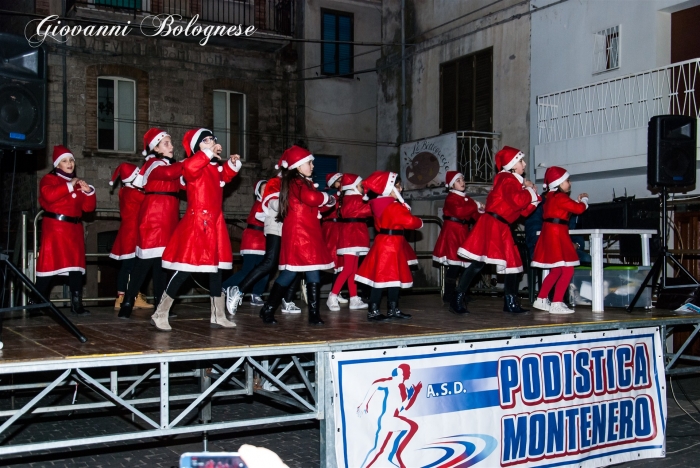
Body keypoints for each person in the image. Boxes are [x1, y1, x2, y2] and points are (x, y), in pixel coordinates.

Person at [152, 128, 241, 331]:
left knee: (216, 269)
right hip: (197, 223)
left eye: (212, 139)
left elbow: (225, 176)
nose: (212, 142)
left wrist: (233, 163)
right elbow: (191, 167)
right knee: (185, 269)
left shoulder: (213, 167)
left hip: (215, 223)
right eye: (206, 140)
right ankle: (160, 312)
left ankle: (218, 314)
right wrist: (208, 153)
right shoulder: (192, 165)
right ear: (197, 147)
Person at [455, 146, 541, 314]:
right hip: (493, 224)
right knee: (479, 263)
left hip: (502, 226)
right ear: (513, 165)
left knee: (512, 265)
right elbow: (517, 201)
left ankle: (510, 302)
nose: (524, 164)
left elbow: (521, 211)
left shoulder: (510, 181)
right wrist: (529, 191)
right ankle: (457, 297)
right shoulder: (507, 179)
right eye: (521, 161)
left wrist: (532, 199)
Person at [258, 145, 336, 325]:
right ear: (299, 166)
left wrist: (326, 201)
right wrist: (328, 198)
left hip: (307, 232)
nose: (312, 166)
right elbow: (311, 199)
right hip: (299, 233)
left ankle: (313, 314)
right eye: (309, 162)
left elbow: (315, 205)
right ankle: (268, 309)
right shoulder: (296, 182)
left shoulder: (302, 182)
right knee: (290, 273)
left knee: (312, 270)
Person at [224, 157, 303, 317]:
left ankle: (267, 297)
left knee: (281, 266)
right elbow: (268, 208)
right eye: (262, 189)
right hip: (255, 239)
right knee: (257, 267)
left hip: (276, 234)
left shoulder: (294, 184)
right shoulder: (267, 195)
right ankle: (229, 288)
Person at [118, 128, 182, 319]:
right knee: (144, 264)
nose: (172, 146)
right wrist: (193, 161)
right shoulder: (153, 164)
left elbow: (183, 182)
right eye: (166, 143)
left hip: (168, 217)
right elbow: (169, 173)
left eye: (171, 142)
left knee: (162, 264)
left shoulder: (168, 164)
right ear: (155, 148)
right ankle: (128, 301)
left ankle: (161, 306)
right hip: (154, 216)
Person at [34, 145, 96, 315]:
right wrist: (70, 185)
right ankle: (36, 302)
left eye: (71, 160)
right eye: (65, 161)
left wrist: (88, 192)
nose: (69, 164)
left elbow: (88, 209)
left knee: (75, 267)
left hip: (74, 230)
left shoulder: (77, 183)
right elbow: (49, 195)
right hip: (56, 229)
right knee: (49, 266)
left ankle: (77, 305)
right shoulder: (49, 179)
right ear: (57, 165)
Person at [355, 171, 423, 321]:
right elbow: (410, 222)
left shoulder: (379, 204)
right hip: (391, 245)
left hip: (387, 243)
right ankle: (377, 310)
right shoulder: (393, 206)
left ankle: (389, 309)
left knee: (390, 279)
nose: (400, 190)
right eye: (396, 186)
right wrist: (418, 220)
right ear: (387, 188)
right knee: (383, 279)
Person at [531, 166, 588, 314]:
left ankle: (541, 298)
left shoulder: (550, 197)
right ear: (559, 182)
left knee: (556, 270)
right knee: (568, 270)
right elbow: (579, 209)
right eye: (567, 180)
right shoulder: (561, 197)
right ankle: (557, 302)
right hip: (557, 234)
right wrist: (584, 201)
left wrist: (575, 202)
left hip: (551, 233)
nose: (569, 183)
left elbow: (563, 210)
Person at [432, 171, 483, 306]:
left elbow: (474, 216)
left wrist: (482, 212)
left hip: (463, 232)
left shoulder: (466, 199)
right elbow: (460, 212)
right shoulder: (451, 198)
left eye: (462, 179)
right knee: (454, 266)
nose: (462, 182)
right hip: (453, 233)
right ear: (451, 184)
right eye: (458, 180)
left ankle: (462, 292)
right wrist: (476, 205)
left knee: (466, 266)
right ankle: (449, 295)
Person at [108, 162, 153, 311]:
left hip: (130, 232)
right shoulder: (132, 192)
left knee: (131, 266)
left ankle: (131, 295)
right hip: (132, 233)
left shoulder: (125, 191)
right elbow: (149, 201)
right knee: (129, 266)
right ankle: (122, 297)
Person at [327, 173, 371, 311]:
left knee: (353, 269)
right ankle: (332, 296)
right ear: (353, 186)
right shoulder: (353, 199)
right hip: (351, 236)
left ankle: (353, 298)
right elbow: (368, 210)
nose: (362, 188)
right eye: (360, 186)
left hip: (355, 235)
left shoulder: (349, 198)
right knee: (348, 269)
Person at [221, 180, 268, 307]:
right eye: (264, 189)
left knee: (264, 270)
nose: (267, 191)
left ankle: (256, 294)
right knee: (248, 269)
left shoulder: (268, 204)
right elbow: (262, 216)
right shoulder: (260, 204)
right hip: (252, 241)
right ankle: (224, 287)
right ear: (258, 191)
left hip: (264, 241)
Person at [321, 172, 348, 304]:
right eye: (339, 180)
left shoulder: (344, 195)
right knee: (331, 261)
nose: (342, 182)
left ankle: (336, 292)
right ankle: (312, 285)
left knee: (341, 263)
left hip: (341, 228)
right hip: (331, 228)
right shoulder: (331, 195)